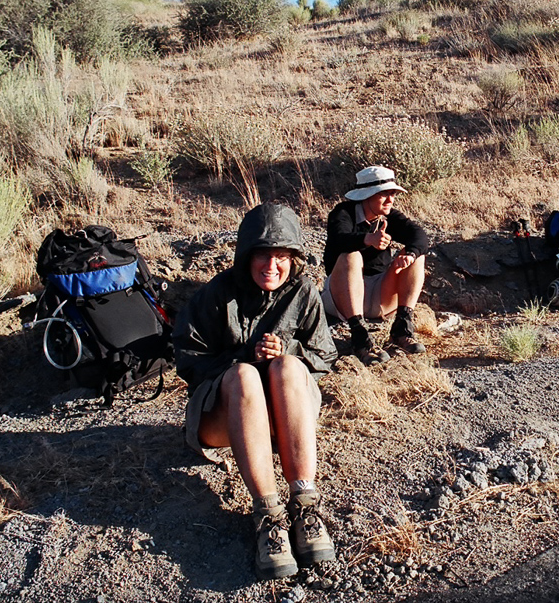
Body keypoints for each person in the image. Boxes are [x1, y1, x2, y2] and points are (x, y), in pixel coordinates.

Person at [174, 203, 337, 580]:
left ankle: (304, 502)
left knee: (289, 366)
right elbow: (188, 359)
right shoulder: (216, 294)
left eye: (282, 256)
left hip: (283, 417)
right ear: (245, 256)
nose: (271, 266)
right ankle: (267, 514)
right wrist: (243, 357)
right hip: (224, 418)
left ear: (294, 259)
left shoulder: (304, 292)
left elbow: (326, 355)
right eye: (262, 255)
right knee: (245, 376)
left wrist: (288, 351)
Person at [322, 165, 430, 365]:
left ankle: (402, 328)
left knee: (416, 255)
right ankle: (360, 337)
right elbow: (338, 239)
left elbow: (420, 236)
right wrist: (367, 239)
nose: (390, 200)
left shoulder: (389, 217)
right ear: (366, 195)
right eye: (384, 195)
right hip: (342, 298)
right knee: (351, 256)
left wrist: (410, 255)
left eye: (393, 194)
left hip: (380, 294)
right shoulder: (342, 213)